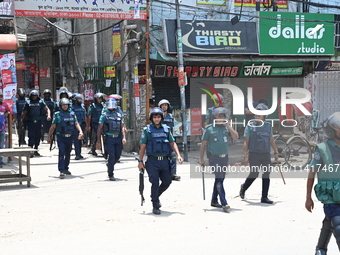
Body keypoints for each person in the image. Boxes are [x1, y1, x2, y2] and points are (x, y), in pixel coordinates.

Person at [305, 112, 340, 254]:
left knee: (330, 221)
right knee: (338, 225)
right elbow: (312, 173)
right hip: (331, 196)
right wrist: (308, 197)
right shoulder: (322, 148)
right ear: (332, 130)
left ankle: (320, 249)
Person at [138, 107, 183, 215]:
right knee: (154, 182)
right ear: (152, 118)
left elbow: (172, 143)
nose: (157, 119)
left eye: (158, 117)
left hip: (164, 161)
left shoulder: (166, 129)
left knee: (167, 181)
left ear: (161, 118)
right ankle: (155, 205)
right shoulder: (147, 130)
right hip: (152, 161)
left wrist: (178, 155)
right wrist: (140, 161)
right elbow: (143, 147)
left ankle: (155, 195)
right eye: (155, 117)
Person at [199, 107, 239, 212]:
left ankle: (213, 200)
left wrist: (229, 127)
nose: (222, 118)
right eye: (220, 116)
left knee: (219, 179)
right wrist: (201, 159)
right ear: (215, 117)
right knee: (220, 179)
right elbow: (203, 145)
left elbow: (236, 137)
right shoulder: (209, 129)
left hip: (224, 158)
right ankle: (224, 202)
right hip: (214, 158)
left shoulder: (226, 128)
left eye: (223, 116)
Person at [239, 103, 278, 204]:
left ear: (265, 116)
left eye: (259, 115)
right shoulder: (250, 126)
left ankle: (264, 197)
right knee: (254, 174)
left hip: (266, 154)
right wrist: (245, 156)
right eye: (255, 115)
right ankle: (244, 187)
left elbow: (271, 140)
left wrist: (276, 152)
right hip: (254, 154)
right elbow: (246, 142)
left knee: (266, 174)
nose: (256, 117)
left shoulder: (268, 126)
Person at [47, 98, 83, 179]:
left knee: (68, 153)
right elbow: (53, 126)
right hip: (61, 137)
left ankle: (66, 168)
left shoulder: (72, 114)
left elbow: (76, 123)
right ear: (60, 106)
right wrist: (49, 136)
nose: (65, 106)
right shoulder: (57, 114)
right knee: (62, 152)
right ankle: (61, 170)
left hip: (70, 137)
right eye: (63, 105)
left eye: (66, 105)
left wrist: (80, 131)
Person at [96, 98, 126, 181]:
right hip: (109, 138)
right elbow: (100, 128)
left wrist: (124, 137)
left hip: (118, 137)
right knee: (112, 156)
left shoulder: (119, 114)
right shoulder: (104, 115)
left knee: (118, 156)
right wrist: (98, 141)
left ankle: (110, 164)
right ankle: (111, 174)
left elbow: (122, 127)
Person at [20, 90, 51, 157]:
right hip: (30, 122)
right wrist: (21, 120)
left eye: (35, 96)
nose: (34, 97)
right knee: (31, 136)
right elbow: (24, 112)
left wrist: (48, 115)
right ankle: (30, 150)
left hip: (39, 122)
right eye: (33, 96)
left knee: (38, 136)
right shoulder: (28, 102)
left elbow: (47, 109)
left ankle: (36, 149)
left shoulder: (41, 101)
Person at [158, 99, 181, 181]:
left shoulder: (170, 116)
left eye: (166, 105)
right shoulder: (157, 116)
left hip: (169, 140)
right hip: (160, 141)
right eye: (163, 105)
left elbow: (172, 128)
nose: (164, 106)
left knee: (173, 156)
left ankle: (173, 174)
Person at [71, 93, 87, 160]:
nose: (80, 101)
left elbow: (85, 115)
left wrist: (87, 125)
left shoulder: (82, 106)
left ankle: (79, 153)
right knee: (76, 140)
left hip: (82, 124)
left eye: (81, 99)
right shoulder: (71, 107)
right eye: (78, 99)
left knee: (81, 140)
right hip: (75, 125)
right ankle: (77, 154)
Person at [0, 91, 10, 167]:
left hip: (2, 128)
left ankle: (0, 161)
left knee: (0, 146)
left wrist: (6, 113)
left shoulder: (4, 104)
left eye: (1, 97)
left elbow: (8, 111)